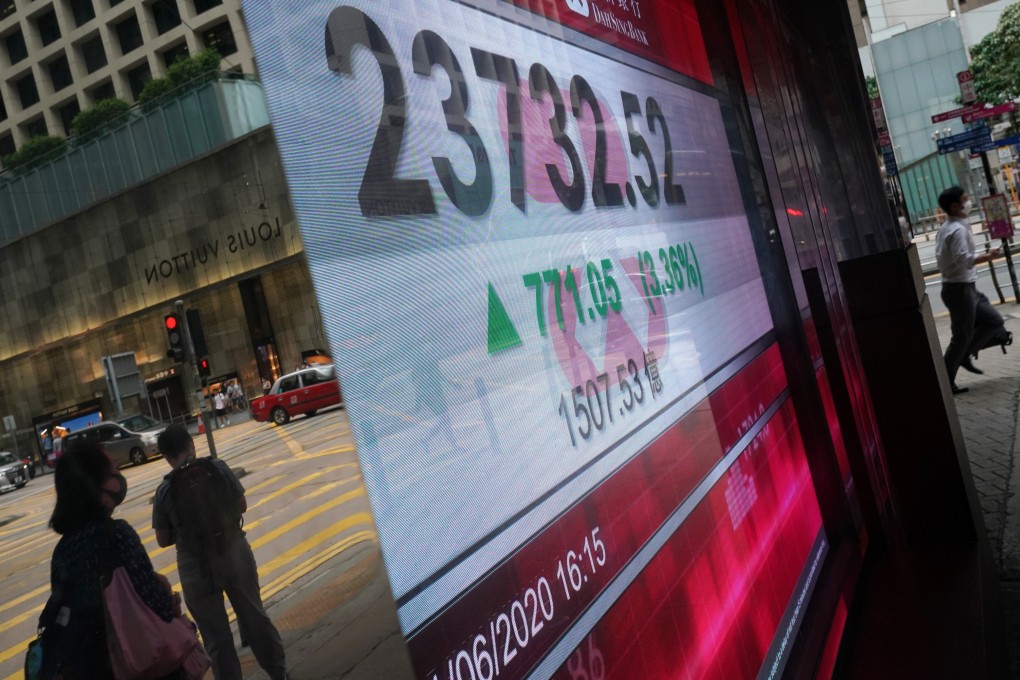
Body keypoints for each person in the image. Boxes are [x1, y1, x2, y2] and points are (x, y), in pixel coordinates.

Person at [38, 441, 182, 679]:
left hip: (86, 666)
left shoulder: (63, 549)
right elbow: (154, 600)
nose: (120, 474)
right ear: (97, 485)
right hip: (132, 661)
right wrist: (170, 600)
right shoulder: (117, 534)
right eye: (114, 468)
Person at [153, 425, 288, 680]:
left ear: (167, 457)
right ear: (191, 445)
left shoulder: (165, 490)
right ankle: (278, 672)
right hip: (233, 552)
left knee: (216, 637)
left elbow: (162, 540)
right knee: (254, 616)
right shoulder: (217, 468)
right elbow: (242, 505)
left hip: (195, 567)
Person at [935, 186, 1003, 394]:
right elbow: (964, 260)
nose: (969, 201)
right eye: (965, 199)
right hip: (959, 289)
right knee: (961, 338)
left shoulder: (953, 226)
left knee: (993, 321)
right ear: (955, 206)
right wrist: (989, 257)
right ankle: (946, 383)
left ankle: (965, 353)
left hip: (966, 287)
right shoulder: (956, 231)